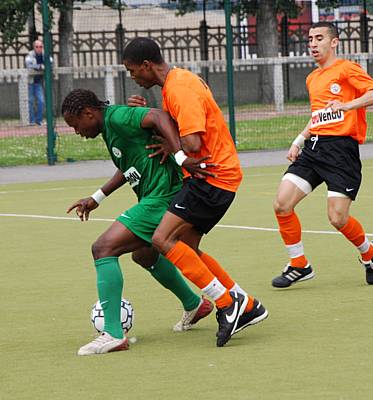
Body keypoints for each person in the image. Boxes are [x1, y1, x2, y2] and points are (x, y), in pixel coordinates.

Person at [122, 37, 268, 348]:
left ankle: (227, 304)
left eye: (132, 71)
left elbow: (191, 146)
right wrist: (156, 121)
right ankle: (247, 303)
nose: (132, 77)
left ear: (147, 65)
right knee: (188, 249)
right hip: (213, 177)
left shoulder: (179, 89)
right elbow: (178, 132)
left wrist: (167, 137)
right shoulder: (177, 82)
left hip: (210, 177)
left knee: (162, 240)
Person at [62, 89, 214, 355]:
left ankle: (112, 333)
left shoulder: (118, 116)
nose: (77, 131)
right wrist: (98, 197)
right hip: (156, 196)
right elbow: (130, 164)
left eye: (75, 125)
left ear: (88, 113)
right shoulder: (111, 127)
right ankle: (194, 305)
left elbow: (157, 116)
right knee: (144, 255)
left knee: (103, 248)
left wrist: (180, 156)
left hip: (164, 196)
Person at [271, 22, 373, 289]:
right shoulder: (312, 78)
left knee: (337, 218)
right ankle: (299, 264)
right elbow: (319, 117)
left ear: (334, 42)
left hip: (341, 151)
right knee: (282, 203)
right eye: (310, 38)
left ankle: (369, 252)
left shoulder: (346, 69)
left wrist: (347, 105)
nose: (312, 43)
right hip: (314, 149)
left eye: (319, 38)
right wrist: (299, 140)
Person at [25, 40, 46, 125]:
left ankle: (39, 120)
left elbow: (51, 62)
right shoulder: (30, 55)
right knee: (30, 101)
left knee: (41, 101)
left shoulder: (45, 55)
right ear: (34, 47)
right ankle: (32, 121)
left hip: (38, 82)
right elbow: (29, 64)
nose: (39, 48)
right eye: (37, 47)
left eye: (40, 47)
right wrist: (40, 66)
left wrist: (45, 65)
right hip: (30, 82)